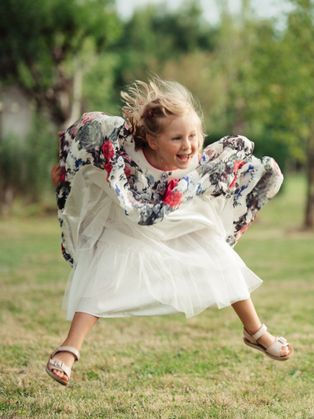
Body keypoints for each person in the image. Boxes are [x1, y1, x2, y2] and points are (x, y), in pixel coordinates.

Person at [45, 78, 292, 386]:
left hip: (181, 221)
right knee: (103, 270)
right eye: (177, 138)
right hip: (129, 224)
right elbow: (89, 158)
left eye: (193, 136)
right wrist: (66, 175)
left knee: (222, 258)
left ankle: (255, 331)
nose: (188, 145)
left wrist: (241, 211)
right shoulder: (126, 154)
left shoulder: (199, 162)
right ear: (152, 140)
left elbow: (225, 184)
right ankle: (70, 347)